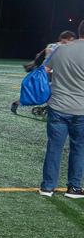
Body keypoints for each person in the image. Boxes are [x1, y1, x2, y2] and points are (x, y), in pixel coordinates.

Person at [40, 25, 84, 198]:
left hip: (58, 106)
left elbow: (44, 71)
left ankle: (47, 187)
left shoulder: (60, 49)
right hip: (81, 109)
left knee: (54, 147)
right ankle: (74, 188)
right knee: (79, 148)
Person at [11, 31, 76, 115]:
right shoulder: (57, 47)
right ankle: (43, 108)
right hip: (49, 72)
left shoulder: (58, 46)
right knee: (44, 93)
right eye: (71, 40)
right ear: (64, 39)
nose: (72, 42)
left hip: (53, 72)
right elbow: (52, 60)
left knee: (53, 93)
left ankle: (45, 108)